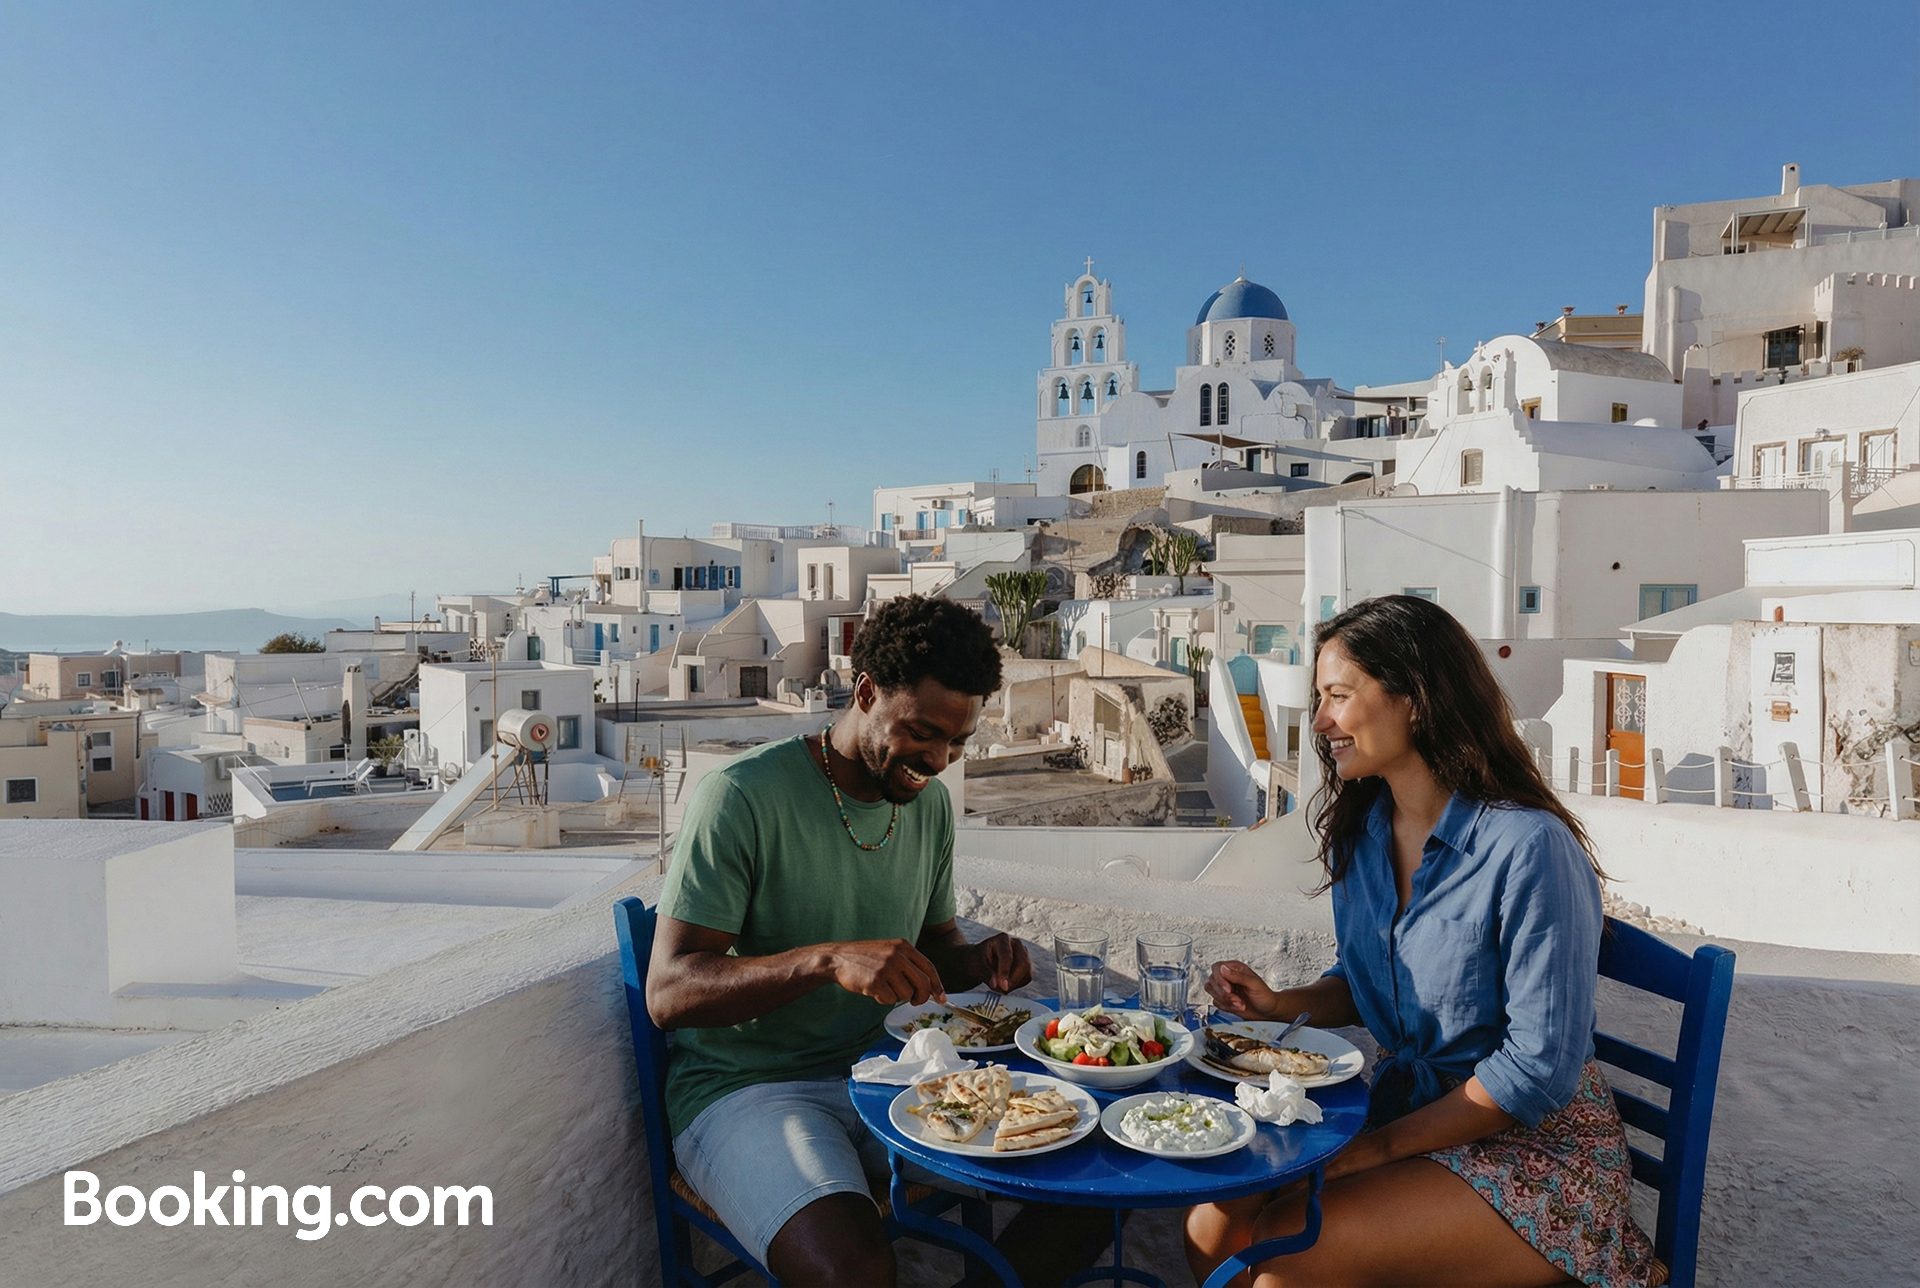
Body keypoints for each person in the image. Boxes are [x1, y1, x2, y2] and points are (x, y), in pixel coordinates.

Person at [1186, 594, 1664, 1288]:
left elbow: (1537, 1069)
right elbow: (1374, 978)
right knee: (1214, 1218)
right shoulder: (1364, 833)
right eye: (1320, 699)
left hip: (1533, 1153)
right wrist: (1280, 1003)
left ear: (1412, 700)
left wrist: (1373, 1151)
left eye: (1338, 696)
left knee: (1291, 1248)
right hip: (1407, 1121)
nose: (1318, 721)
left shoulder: (1528, 848)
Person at [646, 595, 1099, 1286]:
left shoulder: (928, 805)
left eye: (958, 741)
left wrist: (977, 960)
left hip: (894, 1074)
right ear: (865, 693)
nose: (939, 759)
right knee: (851, 1272)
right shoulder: (741, 795)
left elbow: (935, 942)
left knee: (1096, 1180)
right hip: (750, 1089)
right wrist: (827, 960)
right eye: (921, 732)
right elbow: (670, 993)